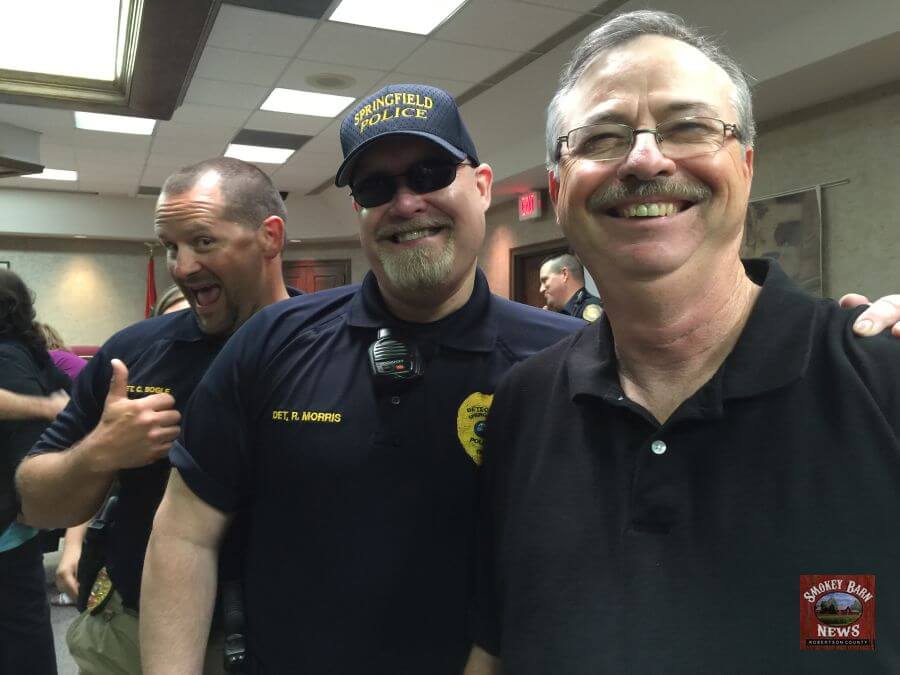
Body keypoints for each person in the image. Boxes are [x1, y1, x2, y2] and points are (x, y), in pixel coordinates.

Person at [466, 11, 900, 674]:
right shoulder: (522, 405)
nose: (645, 158)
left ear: (745, 167)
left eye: (689, 127)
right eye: (603, 137)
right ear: (558, 190)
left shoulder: (882, 378)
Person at [139, 84, 584, 675]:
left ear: (481, 187)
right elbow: (185, 532)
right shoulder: (272, 340)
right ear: (360, 212)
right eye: (376, 187)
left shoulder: (564, 357)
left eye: (429, 173)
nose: (405, 203)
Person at [15, 157, 294, 675]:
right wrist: (100, 452)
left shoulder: (328, 345)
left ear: (269, 237)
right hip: (135, 636)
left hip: (293, 636)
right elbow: (35, 501)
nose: (182, 267)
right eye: (171, 247)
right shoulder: (135, 353)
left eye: (203, 241)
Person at [0, 270, 71, 675]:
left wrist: (29, 508)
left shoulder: (8, 357)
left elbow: (29, 444)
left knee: (22, 648)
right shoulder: (26, 353)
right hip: (14, 529)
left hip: (8, 533)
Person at [539, 252, 602, 321]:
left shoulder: (591, 310)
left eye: (544, 280)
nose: (541, 289)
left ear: (564, 274)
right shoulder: (561, 315)